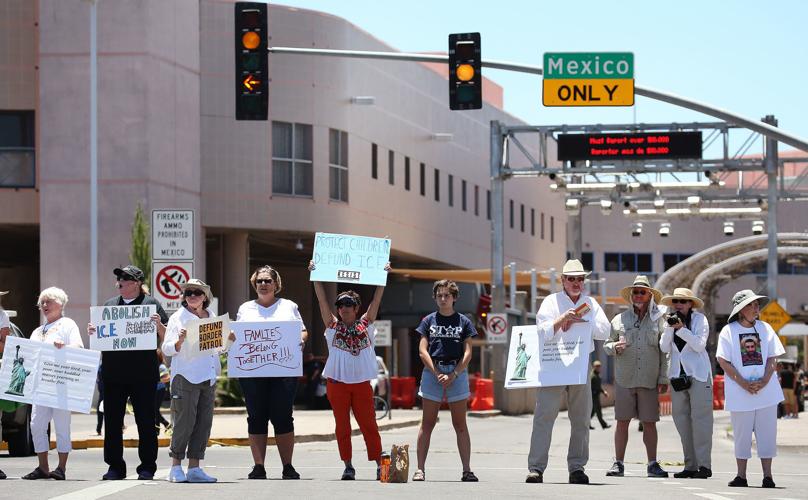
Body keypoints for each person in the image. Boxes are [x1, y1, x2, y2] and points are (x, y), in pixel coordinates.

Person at [526, 259, 611, 485]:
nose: (576, 283)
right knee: (544, 417)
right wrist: (563, 318)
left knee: (581, 419)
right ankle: (536, 468)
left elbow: (605, 330)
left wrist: (582, 320)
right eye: (571, 278)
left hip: (580, 366)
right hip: (553, 365)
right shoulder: (551, 301)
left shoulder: (590, 303)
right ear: (562, 280)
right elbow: (542, 331)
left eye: (580, 279)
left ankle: (577, 468)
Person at [88, 265, 168, 480]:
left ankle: (147, 467)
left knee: (146, 422)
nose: (120, 282)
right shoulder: (109, 306)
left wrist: (159, 325)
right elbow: (101, 336)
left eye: (125, 278)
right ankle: (115, 467)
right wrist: (94, 332)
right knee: (112, 422)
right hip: (114, 375)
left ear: (136, 283)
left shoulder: (151, 305)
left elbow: (166, 336)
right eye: (119, 278)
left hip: (143, 375)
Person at [310, 261, 388, 480]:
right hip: (337, 385)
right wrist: (315, 275)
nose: (344, 308)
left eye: (349, 304)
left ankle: (378, 464)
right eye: (341, 304)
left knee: (369, 425)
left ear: (356, 308)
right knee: (342, 426)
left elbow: (377, 300)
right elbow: (321, 300)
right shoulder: (332, 327)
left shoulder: (366, 324)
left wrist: (383, 276)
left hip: (361, 385)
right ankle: (348, 466)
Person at [235, 265, 307, 480]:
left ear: (276, 284)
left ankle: (288, 466)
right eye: (259, 281)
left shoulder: (289, 306)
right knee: (256, 417)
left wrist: (300, 341)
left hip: (283, 371)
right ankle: (259, 466)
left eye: (268, 281)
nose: (263, 284)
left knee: (283, 417)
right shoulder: (245, 308)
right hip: (252, 372)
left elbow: (303, 331)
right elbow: (238, 335)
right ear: (254, 284)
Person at [162, 279, 235, 483]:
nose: (192, 296)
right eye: (188, 293)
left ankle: (194, 468)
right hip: (185, 375)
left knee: (203, 424)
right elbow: (167, 348)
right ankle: (175, 467)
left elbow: (219, 349)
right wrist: (179, 341)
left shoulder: (212, 317)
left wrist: (229, 340)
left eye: (196, 292)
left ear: (205, 297)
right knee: (183, 423)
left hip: (208, 376)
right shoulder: (178, 317)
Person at [716, 290, 784, 488]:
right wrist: (743, 383)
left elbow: (773, 357)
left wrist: (764, 380)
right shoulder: (729, 331)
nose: (757, 308)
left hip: (766, 391)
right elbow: (723, 360)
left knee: (767, 434)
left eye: (757, 304)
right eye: (752, 305)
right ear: (740, 310)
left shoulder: (766, 328)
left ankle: (768, 476)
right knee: (741, 434)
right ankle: (741, 476)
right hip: (740, 392)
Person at [413, 279, 479, 483]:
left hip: (456, 372)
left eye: (447, 295)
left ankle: (467, 470)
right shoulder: (428, 321)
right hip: (433, 371)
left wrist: (455, 374)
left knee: (460, 424)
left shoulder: (464, 321)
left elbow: (468, 352)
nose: (443, 299)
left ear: (454, 298)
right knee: (427, 423)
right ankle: (420, 469)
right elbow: (422, 349)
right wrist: (436, 373)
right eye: (439, 295)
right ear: (435, 297)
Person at [604, 275, 669, 478]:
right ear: (631, 295)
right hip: (625, 378)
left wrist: (664, 378)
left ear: (650, 295)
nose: (639, 295)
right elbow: (606, 345)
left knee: (649, 422)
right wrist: (615, 347)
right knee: (622, 421)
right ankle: (618, 463)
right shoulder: (618, 320)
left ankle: (652, 464)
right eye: (636, 292)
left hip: (649, 379)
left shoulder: (659, 321)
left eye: (642, 292)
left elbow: (664, 351)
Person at [21, 287, 85, 480]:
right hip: (40, 386)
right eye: (42, 302)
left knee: (62, 425)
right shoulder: (37, 331)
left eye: (49, 301)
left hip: (60, 384)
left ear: (60, 303)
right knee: (36, 425)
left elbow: (79, 347)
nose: (45, 305)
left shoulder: (68, 324)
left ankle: (61, 468)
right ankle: (43, 467)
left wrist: (64, 347)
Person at [659, 288, 713, 479]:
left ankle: (704, 466)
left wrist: (681, 329)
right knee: (681, 421)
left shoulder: (700, 320)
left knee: (701, 421)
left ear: (690, 304)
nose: (678, 304)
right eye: (676, 301)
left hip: (698, 375)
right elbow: (664, 347)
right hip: (677, 376)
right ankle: (690, 465)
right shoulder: (669, 322)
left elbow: (699, 345)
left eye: (683, 301)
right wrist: (669, 327)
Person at [590, 360, 610, 430]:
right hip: (593, 396)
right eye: (597, 366)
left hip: (596, 395)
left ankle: (587, 424)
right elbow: (590, 387)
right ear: (594, 367)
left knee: (592, 411)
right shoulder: (592, 376)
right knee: (598, 410)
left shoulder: (597, 375)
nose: (598, 367)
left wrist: (603, 392)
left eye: (599, 366)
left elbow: (599, 386)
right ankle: (603, 425)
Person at [155, 352, 171, 432]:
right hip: (154, 391)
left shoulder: (161, 366)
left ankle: (166, 424)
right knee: (155, 410)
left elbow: (168, 377)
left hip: (160, 390)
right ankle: (157, 429)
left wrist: (158, 380)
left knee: (154, 410)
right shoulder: (154, 365)